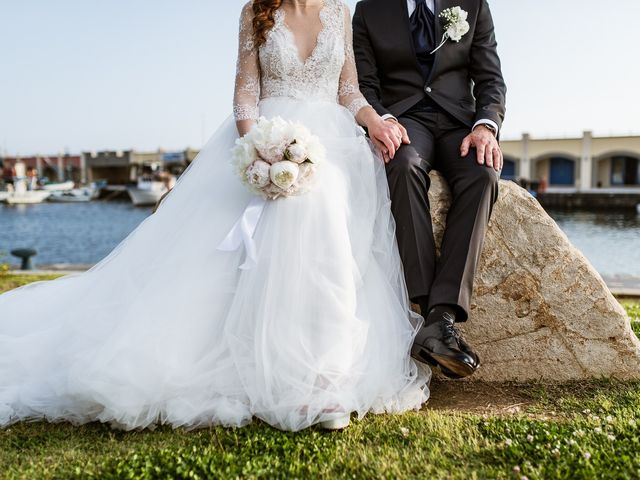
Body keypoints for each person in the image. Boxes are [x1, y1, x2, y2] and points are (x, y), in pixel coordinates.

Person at [0, 0, 429, 432]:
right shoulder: (256, 11)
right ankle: (294, 378)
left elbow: (348, 90)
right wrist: (261, 150)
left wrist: (375, 121)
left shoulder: (339, 11)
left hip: (330, 142)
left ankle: (326, 375)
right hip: (265, 135)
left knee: (325, 203)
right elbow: (245, 93)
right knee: (287, 214)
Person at [352, 0, 507, 378]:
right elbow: (363, 83)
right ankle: (431, 313)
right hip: (404, 120)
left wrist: (485, 125)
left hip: (460, 123)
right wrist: (383, 121)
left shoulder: (473, 3)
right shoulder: (369, 9)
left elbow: (490, 79)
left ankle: (440, 316)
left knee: (484, 174)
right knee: (402, 165)